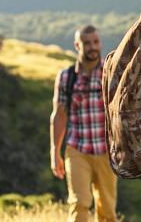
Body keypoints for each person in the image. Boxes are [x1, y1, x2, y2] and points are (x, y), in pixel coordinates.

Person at [50, 25, 117, 222]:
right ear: (77, 45)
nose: (92, 47)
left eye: (95, 42)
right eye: (87, 43)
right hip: (77, 150)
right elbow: (59, 115)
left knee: (107, 211)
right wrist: (55, 152)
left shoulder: (110, 73)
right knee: (79, 203)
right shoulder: (66, 78)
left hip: (107, 151)